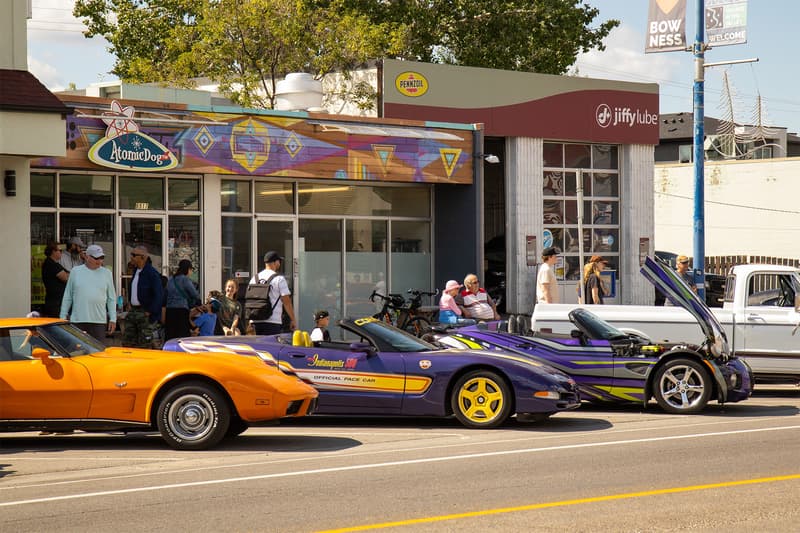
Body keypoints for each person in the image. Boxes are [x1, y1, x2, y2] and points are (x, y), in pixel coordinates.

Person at [59, 244, 117, 341]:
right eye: (96, 258)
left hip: (99, 321)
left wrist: (113, 318)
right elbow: (68, 296)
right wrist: (62, 316)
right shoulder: (75, 271)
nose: (99, 261)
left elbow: (111, 298)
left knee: (98, 352)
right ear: (87, 256)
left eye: (101, 258)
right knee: (76, 351)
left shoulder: (107, 273)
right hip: (78, 320)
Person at [123, 245, 164, 348]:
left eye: (134, 255)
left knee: (145, 343)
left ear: (143, 257)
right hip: (134, 311)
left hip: (144, 312)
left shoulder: (151, 274)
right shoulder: (136, 272)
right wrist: (130, 303)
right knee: (128, 342)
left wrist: (150, 311)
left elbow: (158, 295)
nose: (131, 257)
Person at [247, 250, 296, 335]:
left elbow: (249, 299)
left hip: (255, 320)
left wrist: (248, 321)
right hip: (272, 321)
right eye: (279, 261)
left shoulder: (254, 278)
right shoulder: (279, 279)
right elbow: (286, 302)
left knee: (258, 347)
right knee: (270, 347)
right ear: (275, 262)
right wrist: (293, 319)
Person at [164, 259, 201, 341]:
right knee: (182, 335)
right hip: (181, 310)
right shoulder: (185, 279)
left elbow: (166, 293)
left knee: (171, 335)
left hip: (169, 311)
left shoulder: (170, 279)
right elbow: (194, 294)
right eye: (191, 270)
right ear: (188, 269)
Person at [41, 241, 69, 318]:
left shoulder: (55, 264)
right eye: (60, 250)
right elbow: (66, 278)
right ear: (53, 251)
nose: (61, 253)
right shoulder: (50, 264)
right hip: (55, 303)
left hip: (57, 302)